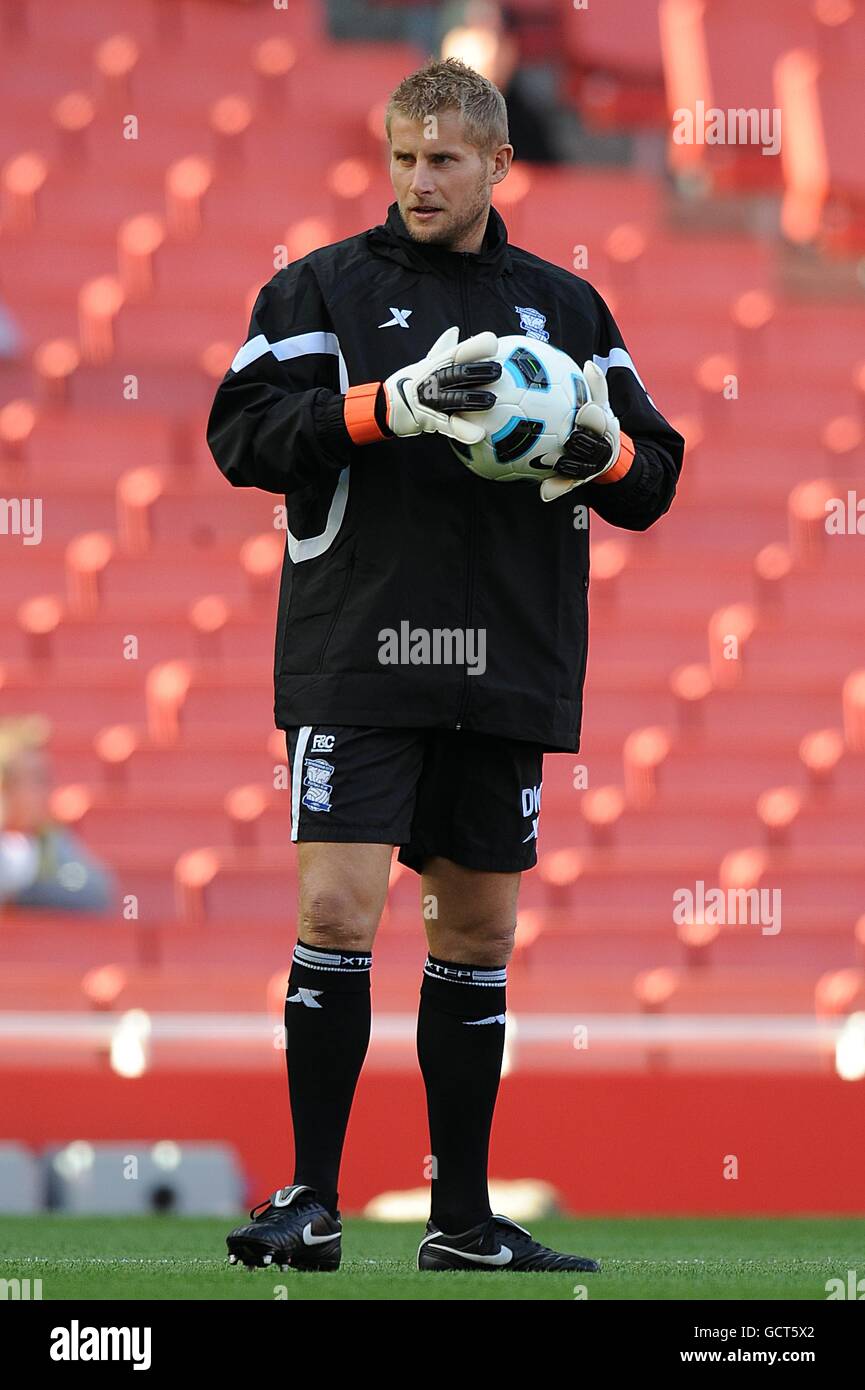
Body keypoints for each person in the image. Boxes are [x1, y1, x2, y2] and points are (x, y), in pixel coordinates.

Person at [207, 56, 684, 1274]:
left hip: (505, 661)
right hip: (357, 653)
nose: (419, 180)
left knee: (473, 938)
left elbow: (658, 472)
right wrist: (389, 407)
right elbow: (241, 437)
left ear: (497, 165)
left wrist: (596, 449)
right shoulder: (318, 290)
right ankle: (309, 1198)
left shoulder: (566, 312)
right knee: (335, 911)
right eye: (404, 158)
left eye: (444, 161)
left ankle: (461, 1222)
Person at [0, 716, 116, 914]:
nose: (47, 790)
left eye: (46, 779)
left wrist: (23, 891)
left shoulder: (50, 840)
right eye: (36, 779)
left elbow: (94, 890)